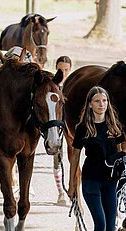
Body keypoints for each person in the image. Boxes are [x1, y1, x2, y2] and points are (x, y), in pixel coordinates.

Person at [67, 86, 125, 231]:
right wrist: (72, 186)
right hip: (91, 179)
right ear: (90, 104)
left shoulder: (114, 126)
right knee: (100, 223)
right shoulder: (83, 128)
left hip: (110, 181)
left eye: (104, 100)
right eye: (97, 101)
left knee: (109, 228)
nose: (102, 104)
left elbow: (121, 153)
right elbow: (75, 158)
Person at [53, 55, 72, 206]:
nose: (64, 72)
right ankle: (60, 192)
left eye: (66, 69)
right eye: (61, 69)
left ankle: (72, 189)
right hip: (58, 126)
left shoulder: (73, 85)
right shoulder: (53, 84)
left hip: (70, 126)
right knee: (57, 159)